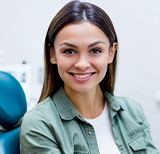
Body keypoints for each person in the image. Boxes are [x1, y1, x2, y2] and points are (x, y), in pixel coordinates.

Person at [20, 0, 159, 153]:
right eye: (69, 51)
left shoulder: (133, 111)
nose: (82, 64)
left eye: (95, 50)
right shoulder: (39, 125)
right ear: (52, 54)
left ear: (111, 52)